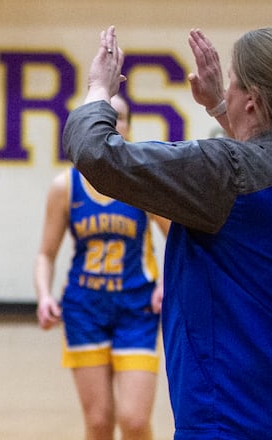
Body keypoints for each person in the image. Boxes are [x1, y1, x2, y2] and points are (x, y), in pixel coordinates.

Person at [63, 25, 272, 439]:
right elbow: (267, 159)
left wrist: (99, 90)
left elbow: (95, 152)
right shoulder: (247, 178)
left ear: (252, 100)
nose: (228, 90)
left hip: (227, 418)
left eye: (233, 84)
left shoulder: (223, 174)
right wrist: (221, 105)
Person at [34, 94, 170, 440]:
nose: (113, 123)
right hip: (85, 308)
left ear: (128, 126)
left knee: (134, 420)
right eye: (104, 117)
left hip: (136, 307)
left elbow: (179, 242)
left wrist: (165, 284)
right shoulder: (65, 186)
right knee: (98, 423)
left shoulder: (142, 181)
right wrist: (44, 295)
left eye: (119, 116)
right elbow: (46, 253)